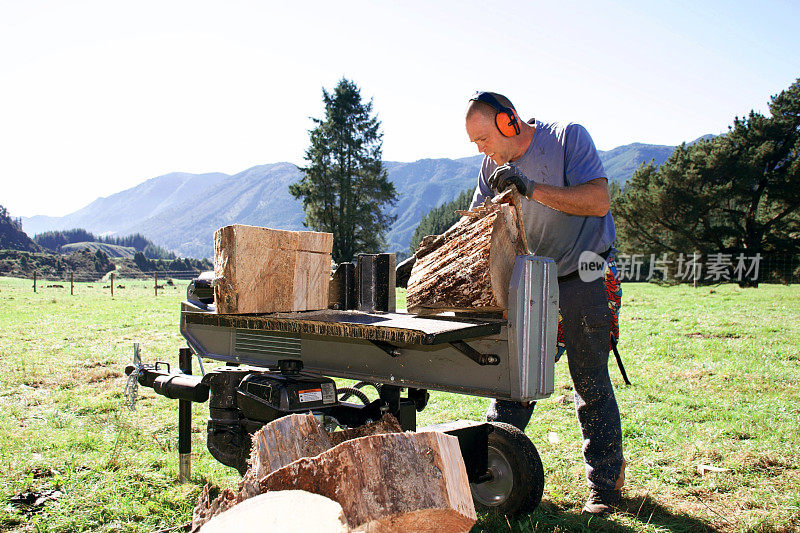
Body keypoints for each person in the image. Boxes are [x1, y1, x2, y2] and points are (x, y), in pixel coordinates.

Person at [466, 91, 625, 516]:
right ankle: (487, 473)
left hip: (588, 268)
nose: (481, 150)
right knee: (514, 377)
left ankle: (605, 487)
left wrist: (531, 188)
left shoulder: (568, 138)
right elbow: (478, 223)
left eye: (483, 138)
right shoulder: (490, 166)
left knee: (588, 379)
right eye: (475, 144)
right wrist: (428, 254)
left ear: (508, 121)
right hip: (535, 279)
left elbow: (598, 201)